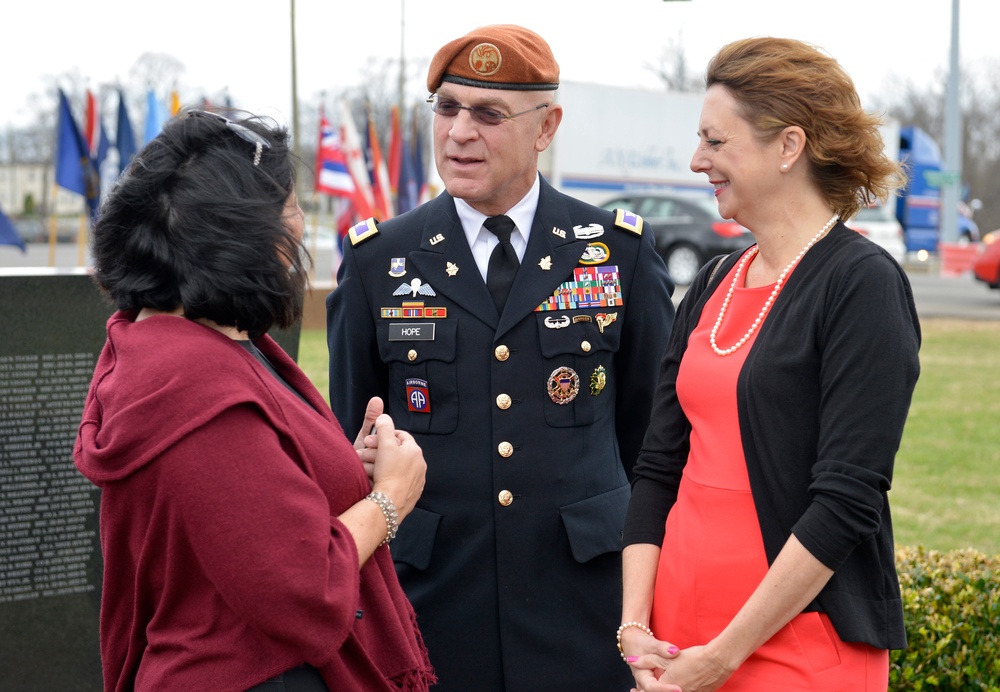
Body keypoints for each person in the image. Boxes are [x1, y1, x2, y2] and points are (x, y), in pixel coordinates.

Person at [326, 24, 675, 691]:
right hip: (433, 604)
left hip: (582, 605)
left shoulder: (616, 252)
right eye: (448, 108)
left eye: (488, 115)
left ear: (547, 127)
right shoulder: (379, 261)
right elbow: (351, 440)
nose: (459, 132)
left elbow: (653, 442)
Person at [74, 110, 436, 691]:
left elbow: (241, 510)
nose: (298, 224)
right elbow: (304, 590)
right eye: (290, 206)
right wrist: (391, 499)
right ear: (245, 234)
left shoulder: (184, 342)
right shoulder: (193, 383)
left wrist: (335, 467)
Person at [618, 37, 921, 691]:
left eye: (716, 142)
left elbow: (846, 501)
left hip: (798, 653)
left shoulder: (860, 284)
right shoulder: (714, 281)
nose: (698, 161)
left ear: (789, 147)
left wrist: (722, 656)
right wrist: (635, 629)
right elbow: (657, 467)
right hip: (675, 648)